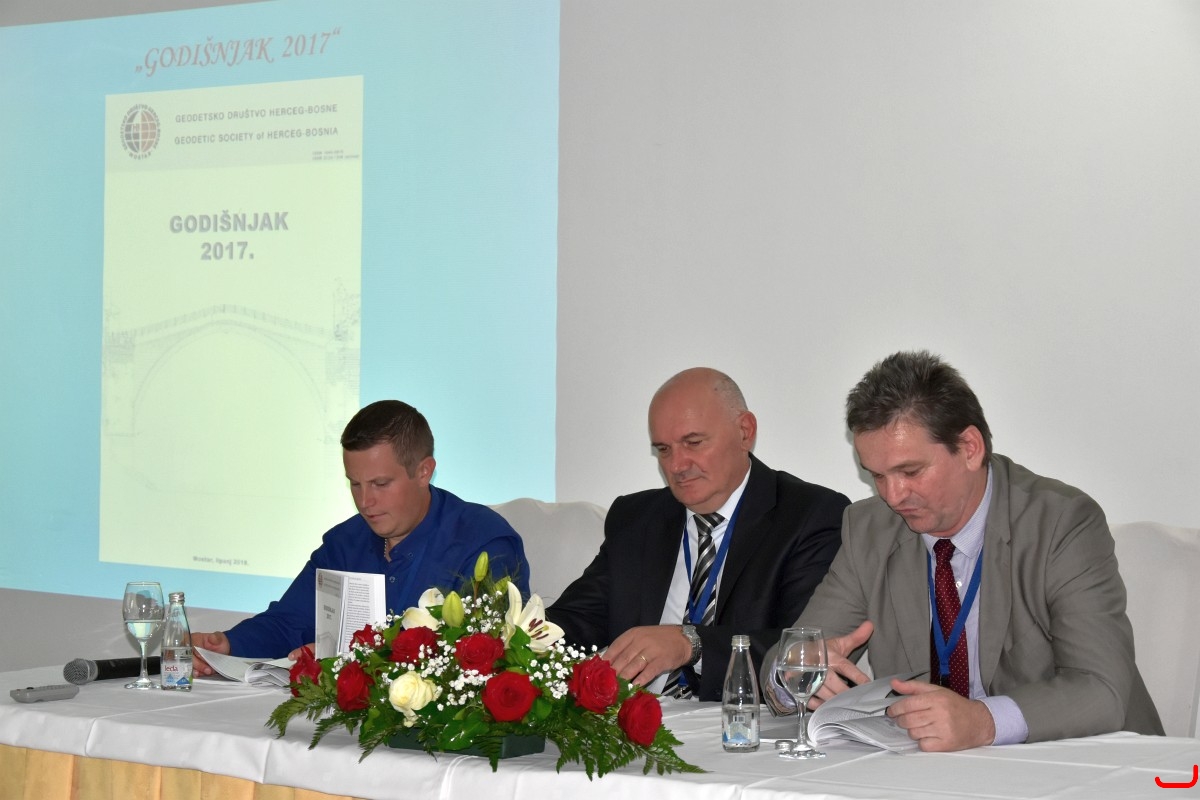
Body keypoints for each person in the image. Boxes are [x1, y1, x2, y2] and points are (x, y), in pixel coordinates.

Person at [762, 350, 1162, 751]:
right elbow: (790, 652)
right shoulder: (869, 530)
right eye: (877, 476)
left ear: (970, 447)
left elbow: (1100, 688)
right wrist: (793, 672)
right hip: (937, 767)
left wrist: (983, 721)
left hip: (1085, 758)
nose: (892, 495)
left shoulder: (1061, 522)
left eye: (910, 471)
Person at [547, 367, 849, 701]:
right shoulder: (635, 518)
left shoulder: (809, 515)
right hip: (637, 716)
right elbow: (578, 618)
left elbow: (801, 646)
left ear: (745, 432)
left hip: (739, 717)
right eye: (664, 449)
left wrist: (691, 644)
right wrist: (515, 641)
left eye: (693, 443)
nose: (676, 465)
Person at [193, 400, 530, 672]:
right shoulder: (344, 542)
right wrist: (229, 644)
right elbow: (289, 622)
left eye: (380, 484)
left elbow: (483, 655)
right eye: (355, 484)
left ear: (424, 471)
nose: (365, 501)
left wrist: (349, 657)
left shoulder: (482, 545)